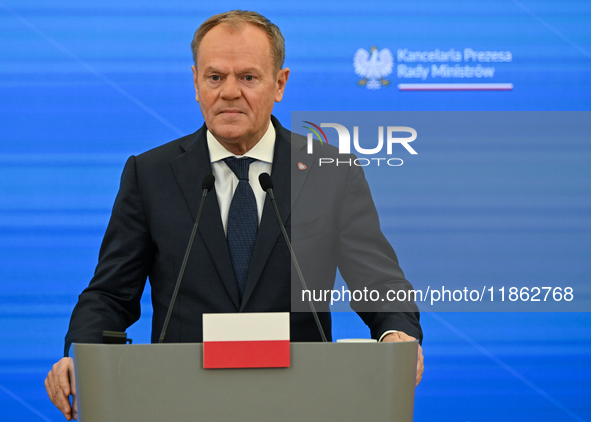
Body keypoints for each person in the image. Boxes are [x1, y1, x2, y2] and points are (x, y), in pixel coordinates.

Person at [44, 10, 424, 420]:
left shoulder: (329, 171)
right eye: (215, 77)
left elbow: (380, 282)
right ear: (195, 83)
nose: (229, 92)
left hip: (304, 402)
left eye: (247, 77)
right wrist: (79, 356)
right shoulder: (150, 174)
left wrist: (395, 332)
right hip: (180, 403)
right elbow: (110, 293)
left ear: (279, 84)